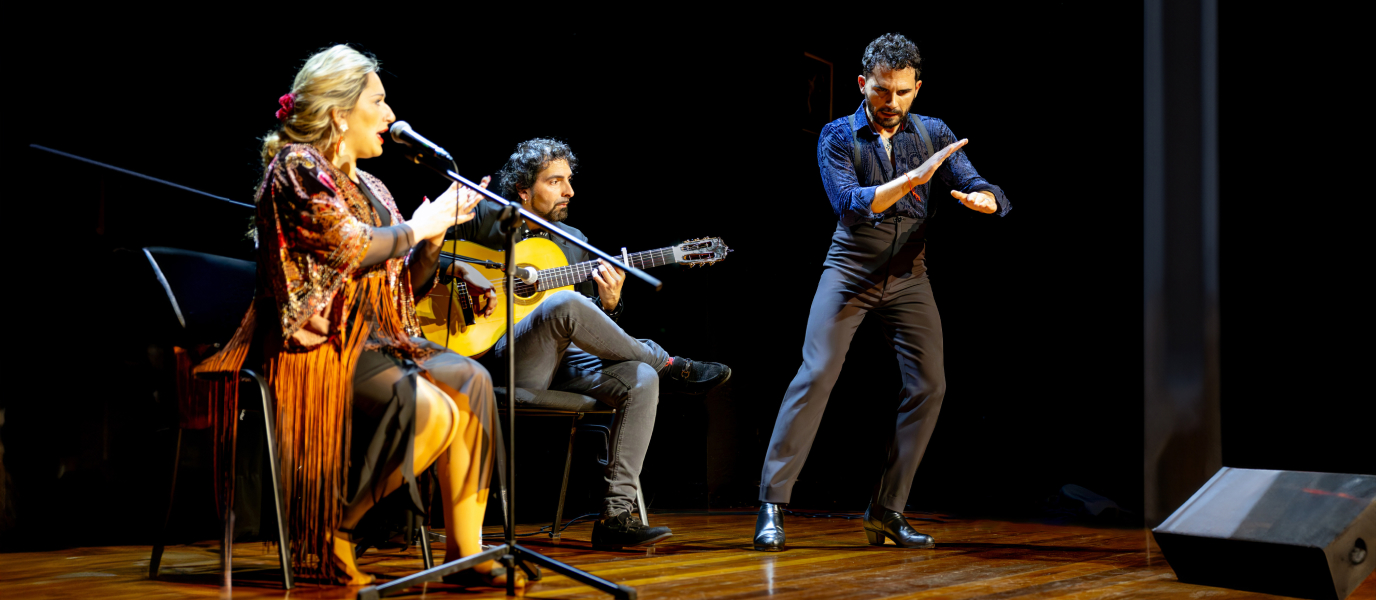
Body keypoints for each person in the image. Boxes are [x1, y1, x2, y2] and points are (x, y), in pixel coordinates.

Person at [195, 45, 517, 587]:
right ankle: (332, 532)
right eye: (380, 101)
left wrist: (432, 244)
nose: (391, 116)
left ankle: (467, 553)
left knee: (474, 380)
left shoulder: (374, 186)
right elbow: (350, 246)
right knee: (433, 411)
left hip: (376, 338)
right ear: (341, 113)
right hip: (315, 344)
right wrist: (418, 227)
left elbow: (402, 285)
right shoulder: (295, 167)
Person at [753, 33, 1011, 552]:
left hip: (910, 271)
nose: (889, 103)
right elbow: (850, 203)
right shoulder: (835, 135)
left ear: (917, 88)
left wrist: (987, 199)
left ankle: (886, 510)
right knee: (817, 373)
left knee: (930, 385)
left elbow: (976, 177)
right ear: (862, 84)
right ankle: (771, 504)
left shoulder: (934, 131)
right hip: (850, 267)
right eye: (880, 91)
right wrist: (914, 177)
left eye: (901, 92)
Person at [440, 138, 731, 550]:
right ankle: (669, 362)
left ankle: (615, 517)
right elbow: (421, 250)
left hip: (565, 366)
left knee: (641, 378)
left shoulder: (574, 239)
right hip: (503, 364)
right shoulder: (487, 219)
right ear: (524, 189)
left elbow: (583, 326)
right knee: (566, 301)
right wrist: (463, 272)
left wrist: (610, 305)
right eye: (555, 181)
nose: (569, 191)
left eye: (569, 181)